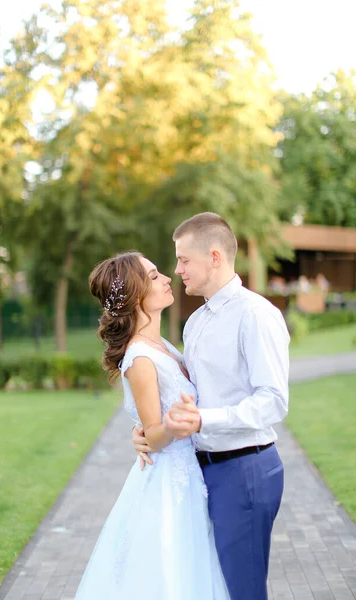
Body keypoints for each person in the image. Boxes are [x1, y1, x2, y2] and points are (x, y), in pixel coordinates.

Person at [133, 212, 290, 600]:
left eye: (184, 260)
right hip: (205, 472)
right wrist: (151, 429)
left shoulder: (255, 315)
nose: (177, 269)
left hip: (245, 469)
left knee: (243, 590)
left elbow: (273, 401)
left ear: (215, 257)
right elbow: (188, 394)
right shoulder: (195, 322)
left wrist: (204, 420)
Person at [74, 251, 230, 600]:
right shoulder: (140, 358)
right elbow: (155, 434)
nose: (167, 279)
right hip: (169, 482)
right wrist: (173, 427)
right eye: (155, 275)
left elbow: (149, 428)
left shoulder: (163, 347)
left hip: (190, 473)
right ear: (135, 294)